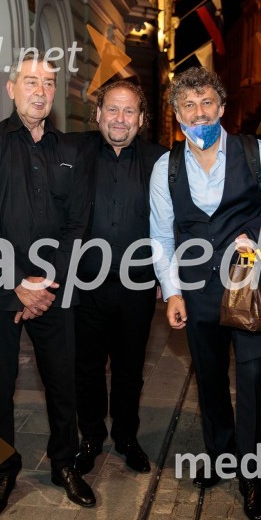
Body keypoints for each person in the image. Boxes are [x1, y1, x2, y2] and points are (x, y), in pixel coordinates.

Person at [150, 66, 261, 520]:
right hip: (197, 295)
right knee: (209, 380)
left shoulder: (256, 153)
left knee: (251, 379)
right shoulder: (165, 167)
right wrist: (171, 292)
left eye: (207, 102)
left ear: (223, 108)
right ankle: (220, 454)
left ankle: (250, 477)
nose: (199, 112)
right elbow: (160, 237)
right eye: (188, 106)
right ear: (176, 114)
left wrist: (255, 234)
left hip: (250, 291)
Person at [0, 50, 95, 516]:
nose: (41, 91)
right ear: (11, 88)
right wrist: (19, 282)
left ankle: (64, 463)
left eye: (49, 83)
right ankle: (3, 468)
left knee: (63, 381)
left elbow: (78, 223)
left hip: (54, 289)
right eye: (32, 81)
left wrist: (46, 281)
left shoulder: (71, 152)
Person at [68, 81, 168, 475]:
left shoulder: (160, 160)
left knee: (129, 369)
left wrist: (168, 273)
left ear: (142, 119)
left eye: (129, 112)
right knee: (87, 367)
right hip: (85, 283)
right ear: (98, 114)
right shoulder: (74, 153)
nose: (120, 119)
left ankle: (126, 437)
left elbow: (173, 222)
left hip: (137, 285)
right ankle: (91, 436)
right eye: (112, 109)